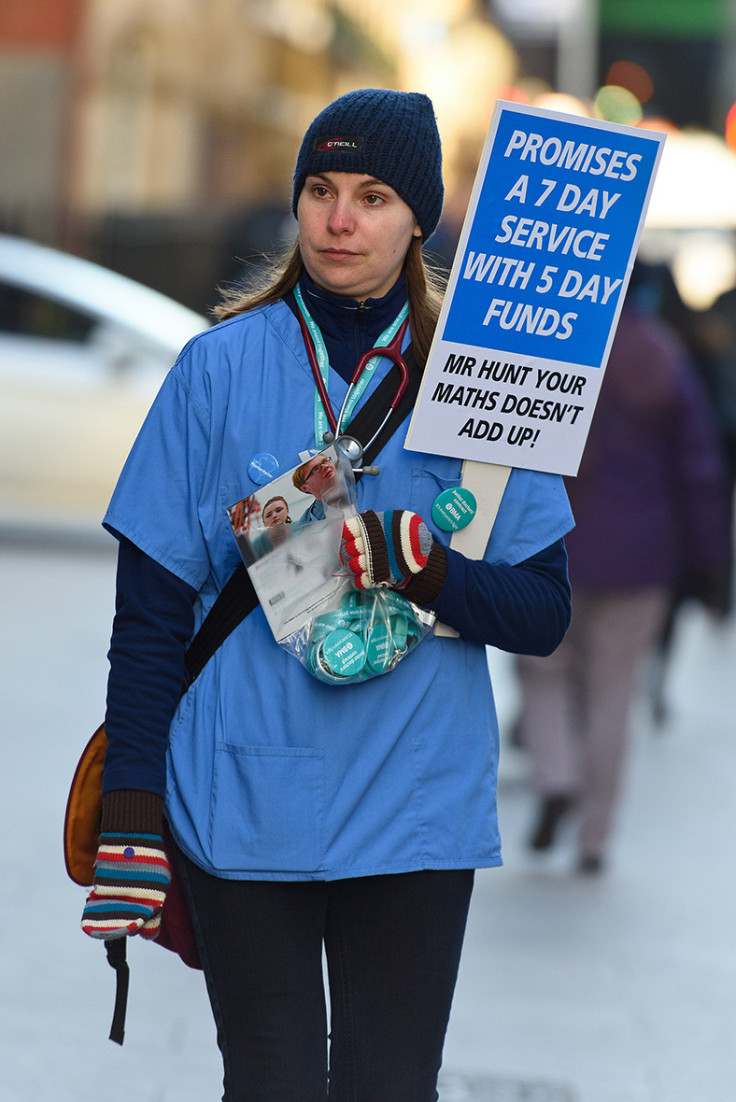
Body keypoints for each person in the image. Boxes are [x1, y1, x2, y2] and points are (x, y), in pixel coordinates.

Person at [80, 88, 574, 1102]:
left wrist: (430, 568)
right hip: (239, 792)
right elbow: (150, 616)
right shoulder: (215, 370)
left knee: (391, 1089)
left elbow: (542, 611)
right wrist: (132, 793)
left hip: (414, 799)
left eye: (373, 195)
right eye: (320, 188)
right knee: (272, 1083)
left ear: (418, 218)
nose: (339, 219)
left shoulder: (482, 387)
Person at [515, 273, 733, 875]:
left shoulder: (550, 347)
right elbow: (698, 465)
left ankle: (555, 774)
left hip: (551, 544)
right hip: (642, 555)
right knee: (614, 694)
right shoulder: (662, 353)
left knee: (543, 675)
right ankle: (595, 837)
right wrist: (711, 557)